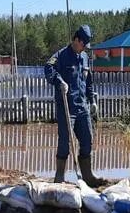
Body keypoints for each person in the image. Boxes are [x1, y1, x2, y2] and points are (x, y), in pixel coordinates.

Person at [44, 25, 106, 187]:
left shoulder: (84, 57)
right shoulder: (61, 55)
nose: (84, 47)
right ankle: (59, 176)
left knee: (87, 139)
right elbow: (48, 68)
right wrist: (59, 81)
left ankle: (87, 175)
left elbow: (88, 80)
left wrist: (92, 101)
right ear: (76, 40)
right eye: (83, 43)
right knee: (65, 141)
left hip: (82, 108)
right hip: (67, 108)